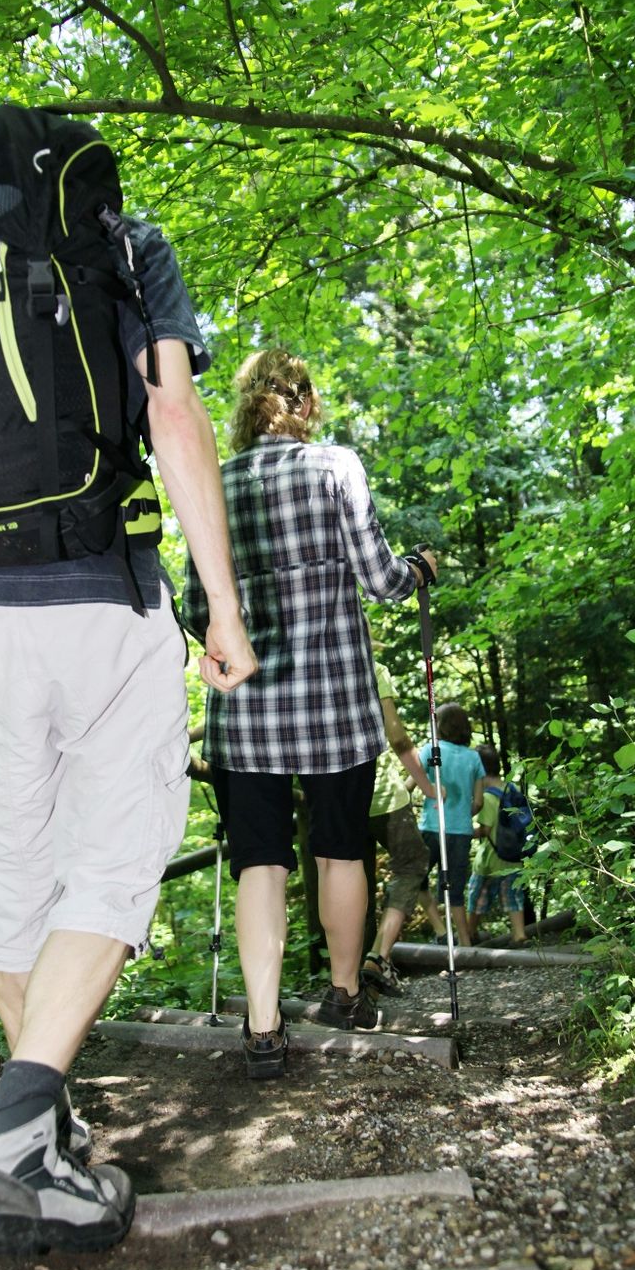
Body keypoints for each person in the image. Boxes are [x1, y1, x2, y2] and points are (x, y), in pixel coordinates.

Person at [0, 214, 257, 1256]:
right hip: (108, 593)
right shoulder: (124, 242)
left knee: (14, 873)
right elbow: (175, 414)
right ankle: (15, 1145)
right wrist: (225, 607)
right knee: (115, 862)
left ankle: (41, 1144)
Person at [180, 348, 436, 1078]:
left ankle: (263, 1030)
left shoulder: (213, 484)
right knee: (340, 848)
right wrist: (420, 569)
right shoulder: (336, 468)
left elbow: (198, 609)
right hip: (334, 703)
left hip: (247, 710)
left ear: (245, 406)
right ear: (306, 402)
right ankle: (345, 992)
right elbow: (384, 581)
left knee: (259, 861)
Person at [359, 655, 448, 997]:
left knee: (353, 887)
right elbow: (396, 736)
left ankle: (352, 984)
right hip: (383, 796)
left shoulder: (307, 664)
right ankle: (377, 959)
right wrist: (426, 787)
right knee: (412, 865)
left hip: (339, 799)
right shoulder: (372, 667)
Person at [417, 702, 484, 949]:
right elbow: (478, 802)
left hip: (433, 828)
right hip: (461, 831)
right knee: (455, 892)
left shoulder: (430, 750)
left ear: (440, 725)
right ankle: (465, 944)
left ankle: (441, 930)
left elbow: (408, 786)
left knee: (416, 879)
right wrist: (462, 812)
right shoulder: (474, 757)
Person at [466, 743, 529, 947]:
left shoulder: (487, 797)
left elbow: (484, 829)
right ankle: (519, 934)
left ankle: (469, 934)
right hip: (514, 858)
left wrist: (465, 833)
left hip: (490, 860)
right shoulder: (512, 789)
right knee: (514, 899)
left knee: (476, 899)